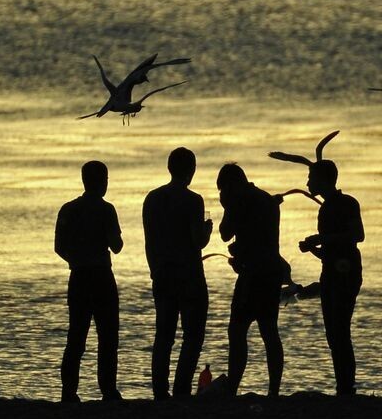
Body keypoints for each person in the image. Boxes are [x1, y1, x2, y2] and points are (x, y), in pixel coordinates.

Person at [143, 147, 213, 400]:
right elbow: (197, 241)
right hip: (189, 275)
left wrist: (154, 270)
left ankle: (160, 391)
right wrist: (207, 231)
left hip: (162, 273)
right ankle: (181, 389)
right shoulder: (193, 200)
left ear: (169, 168)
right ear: (191, 170)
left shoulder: (152, 199)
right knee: (193, 336)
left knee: (164, 336)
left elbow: (149, 241)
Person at [54, 160, 124, 402]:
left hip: (79, 277)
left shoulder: (68, 209)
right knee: (108, 337)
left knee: (76, 336)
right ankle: (108, 390)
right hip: (102, 276)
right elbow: (117, 246)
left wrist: (76, 259)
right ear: (103, 182)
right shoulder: (107, 210)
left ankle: (69, 391)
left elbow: (59, 247)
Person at [217, 163, 286, 397]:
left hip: (252, 276)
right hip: (271, 272)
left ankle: (232, 389)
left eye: (222, 189)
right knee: (269, 331)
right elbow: (260, 237)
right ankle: (274, 390)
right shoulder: (266, 199)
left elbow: (225, 233)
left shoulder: (238, 201)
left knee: (237, 331)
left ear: (229, 186)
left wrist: (226, 207)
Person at [299, 159, 364, 396]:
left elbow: (358, 235)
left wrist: (322, 239)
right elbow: (330, 252)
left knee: (340, 330)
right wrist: (313, 248)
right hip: (331, 273)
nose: (307, 182)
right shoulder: (325, 208)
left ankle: (346, 387)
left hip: (346, 274)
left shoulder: (347, 203)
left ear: (324, 180)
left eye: (311, 178)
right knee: (333, 332)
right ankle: (343, 386)